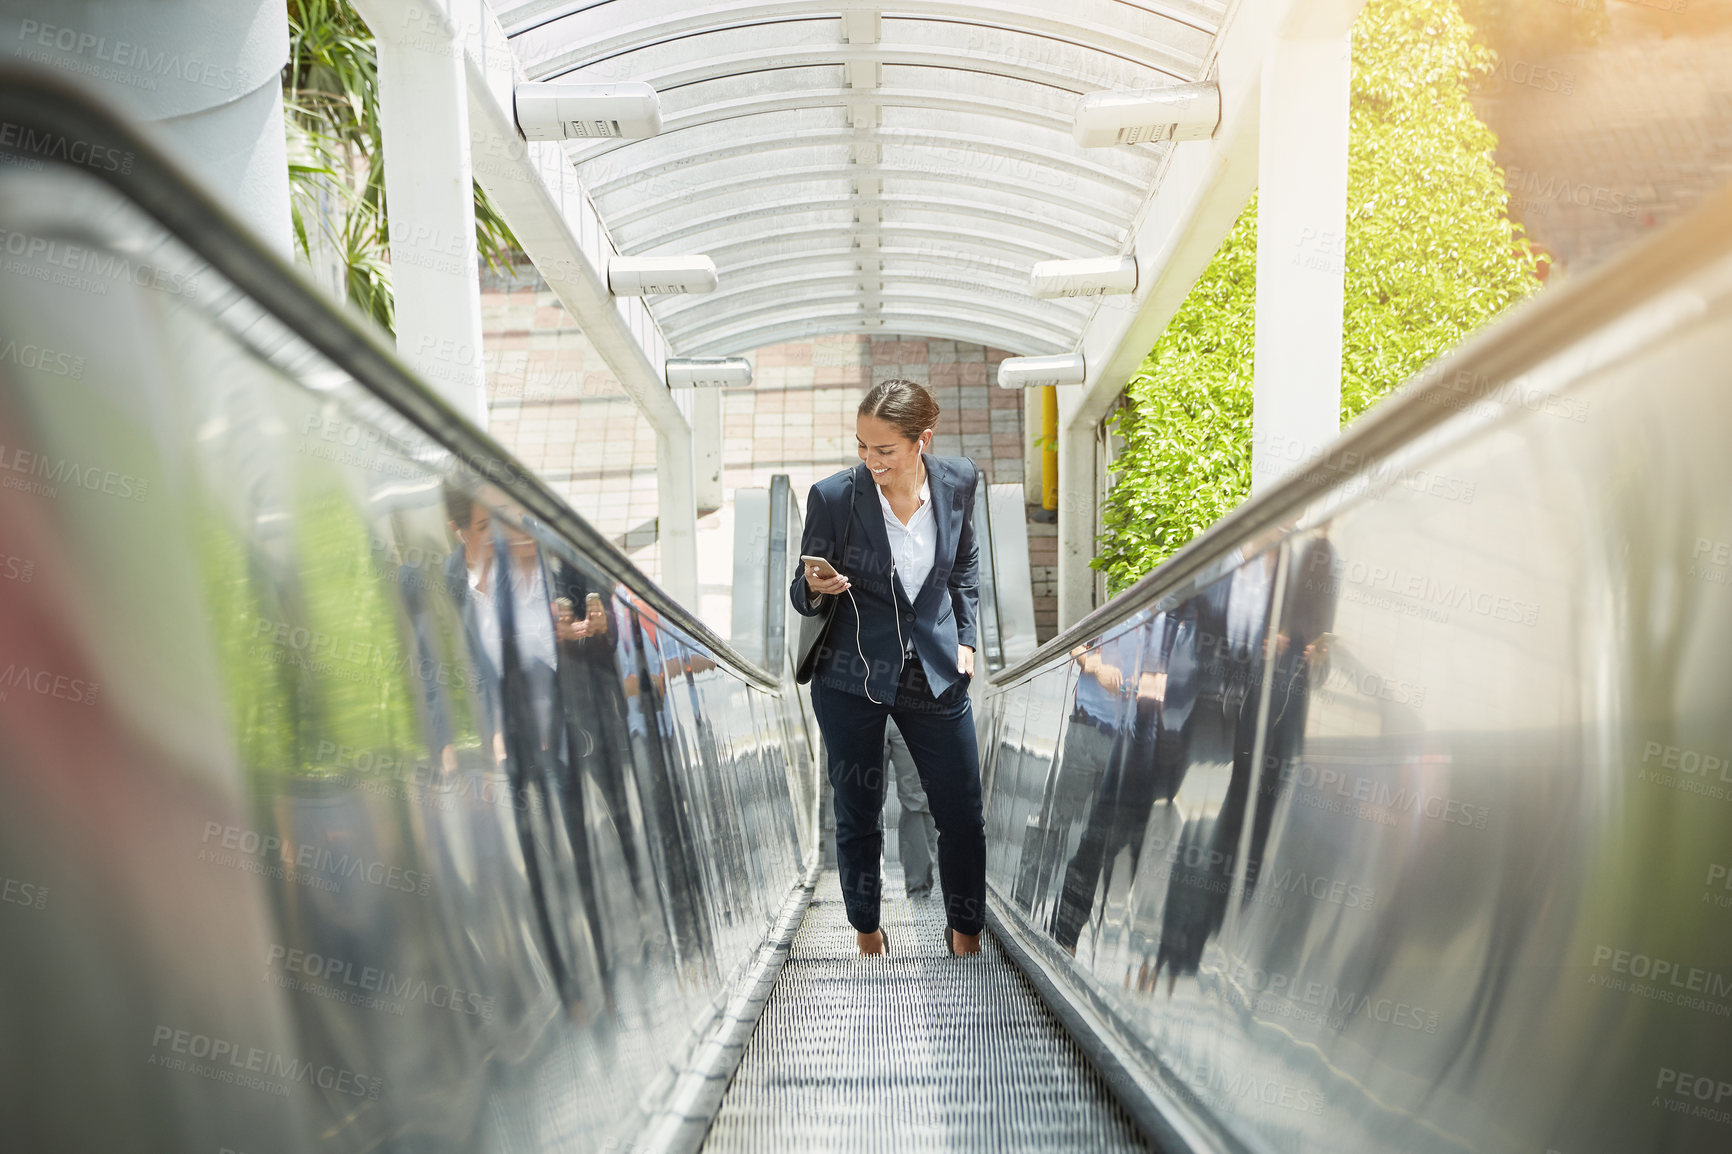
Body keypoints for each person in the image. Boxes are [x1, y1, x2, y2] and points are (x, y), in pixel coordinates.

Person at [791, 379, 987, 956]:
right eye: (861, 446)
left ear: (921, 441)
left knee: (962, 814)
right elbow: (804, 596)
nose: (869, 461)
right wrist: (815, 585)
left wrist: (967, 637)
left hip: (936, 671)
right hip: (851, 679)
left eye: (884, 450)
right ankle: (867, 931)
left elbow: (964, 563)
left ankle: (967, 937)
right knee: (858, 812)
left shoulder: (958, 482)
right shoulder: (833, 497)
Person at [882, 721, 939, 897]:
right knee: (917, 800)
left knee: (864, 801)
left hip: (863, 704)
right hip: (911, 705)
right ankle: (918, 888)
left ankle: (866, 892)